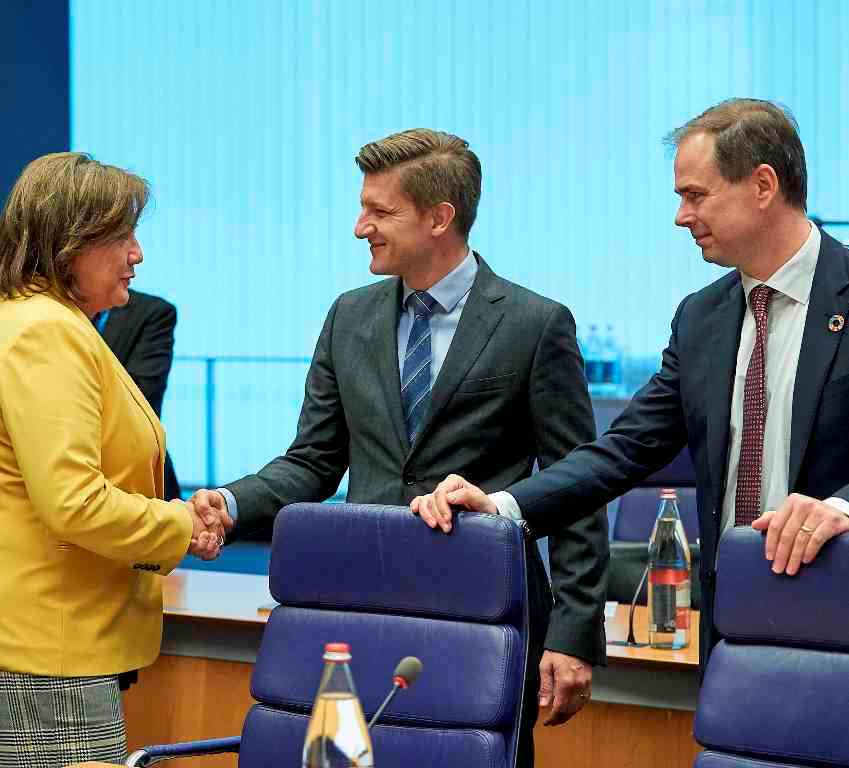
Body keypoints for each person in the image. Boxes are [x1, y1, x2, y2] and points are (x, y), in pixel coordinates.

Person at [192, 129, 609, 767]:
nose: (361, 227)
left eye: (380, 212)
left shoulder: (535, 324)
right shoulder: (348, 316)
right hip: (362, 602)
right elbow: (313, 460)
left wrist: (574, 632)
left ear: (440, 218)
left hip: (485, 613)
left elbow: (576, 481)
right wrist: (230, 503)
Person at [412, 98, 849, 668]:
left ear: (763, 185)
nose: (682, 216)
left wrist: (843, 507)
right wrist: (502, 506)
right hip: (734, 624)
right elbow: (624, 449)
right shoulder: (702, 318)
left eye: (696, 195)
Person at [0, 152, 223, 767]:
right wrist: (180, 524)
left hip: (22, 643)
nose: (137, 254)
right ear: (69, 244)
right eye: (122, 236)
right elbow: (74, 502)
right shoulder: (45, 331)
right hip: (42, 653)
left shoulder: (23, 319)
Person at [95, 289, 182, 499]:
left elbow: (141, 398)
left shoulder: (153, 313)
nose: (132, 274)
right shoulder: (47, 312)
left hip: (137, 480)